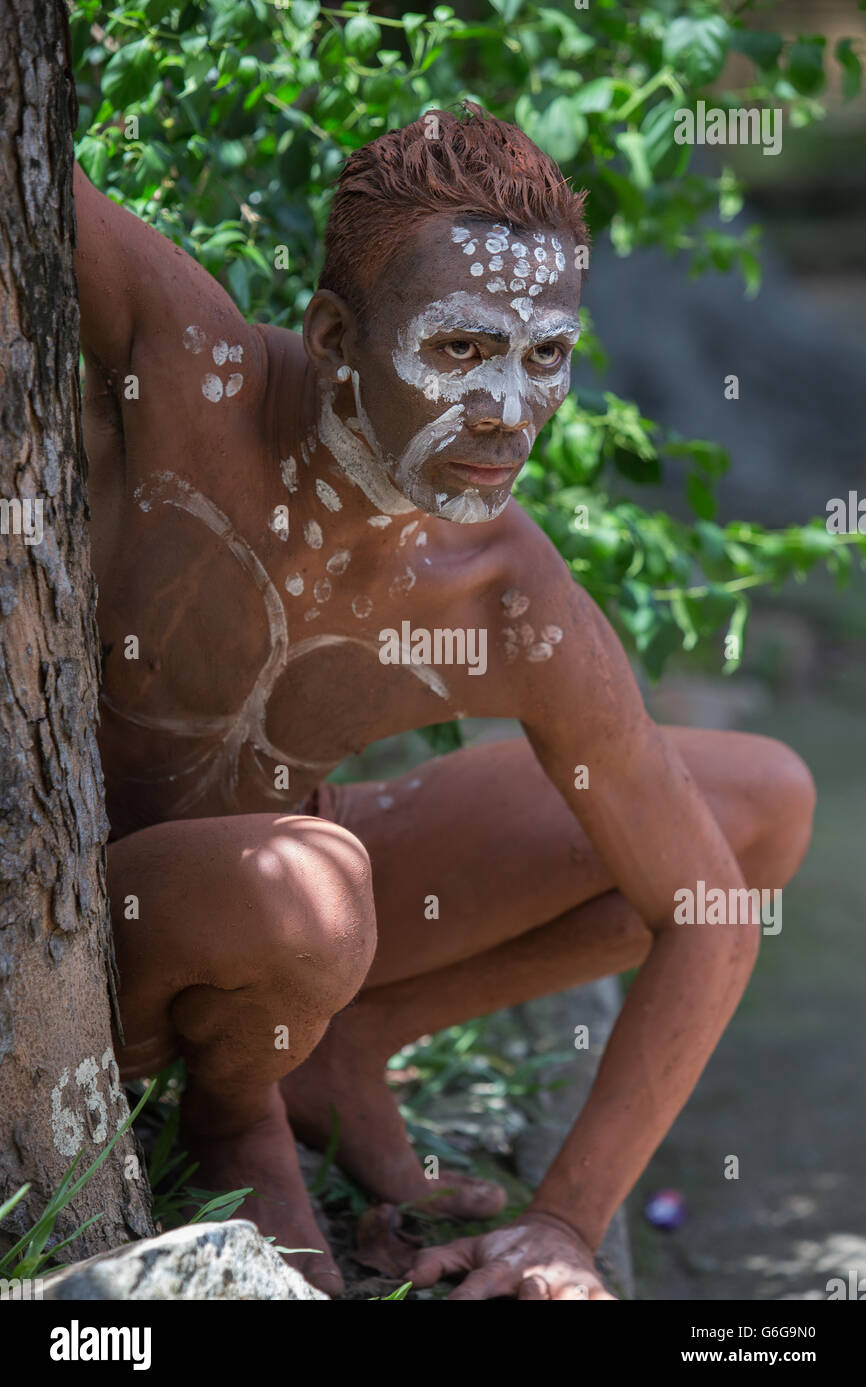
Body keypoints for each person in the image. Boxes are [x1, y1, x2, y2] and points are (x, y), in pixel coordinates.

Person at [74, 104, 815, 1300]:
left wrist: (565, 1223)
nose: (510, 412)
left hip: (288, 898)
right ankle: (239, 1117)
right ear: (331, 334)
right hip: (90, 929)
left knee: (756, 803)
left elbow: (706, 911)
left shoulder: (499, 594)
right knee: (311, 900)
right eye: (462, 351)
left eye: (544, 357)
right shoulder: (187, 367)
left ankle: (340, 1044)